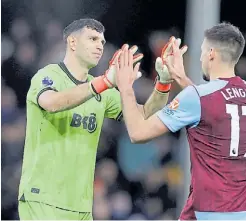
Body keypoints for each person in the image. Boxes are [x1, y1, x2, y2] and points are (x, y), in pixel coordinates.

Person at [18, 18, 175, 220]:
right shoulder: (47, 76)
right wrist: (105, 82)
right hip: (43, 199)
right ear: (72, 43)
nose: (99, 46)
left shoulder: (102, 90)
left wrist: (162, 84)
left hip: (81, 205)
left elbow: (144, 114)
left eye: (101, 41)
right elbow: (51, 102)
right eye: (92, 39)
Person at [116, 22, 246, 220]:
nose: (201, 57)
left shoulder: (199, 97)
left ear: (211, 53)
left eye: (202, 51)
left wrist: (125, 86)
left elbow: (137, 133)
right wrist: (180, 76)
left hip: (212, 212)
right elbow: (211, 107)